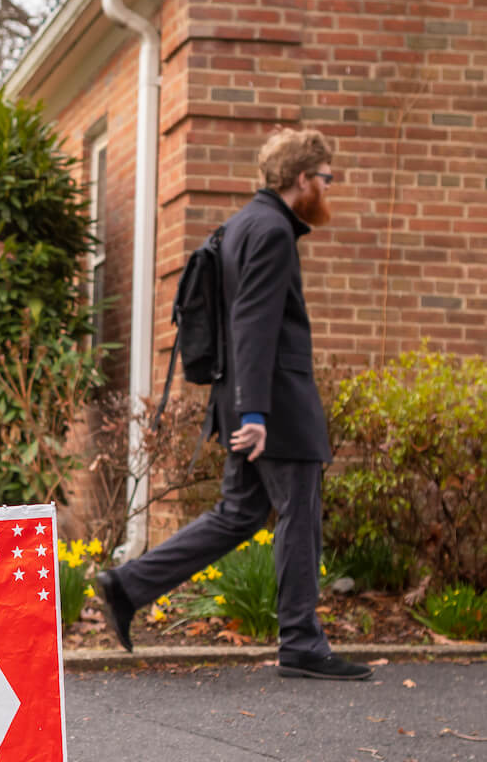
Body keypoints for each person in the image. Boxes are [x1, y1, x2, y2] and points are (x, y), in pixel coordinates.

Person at [96, 128, 372, 681]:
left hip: (247, 398)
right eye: (326, 178)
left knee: (238, 514)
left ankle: (128, 585)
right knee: (300, 515)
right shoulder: (271, 231)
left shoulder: (243, 223)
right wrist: (255, 416)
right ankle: (300, 641)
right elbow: (252, 325)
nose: (328, 188)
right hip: (275, 406)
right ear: (303, 179)